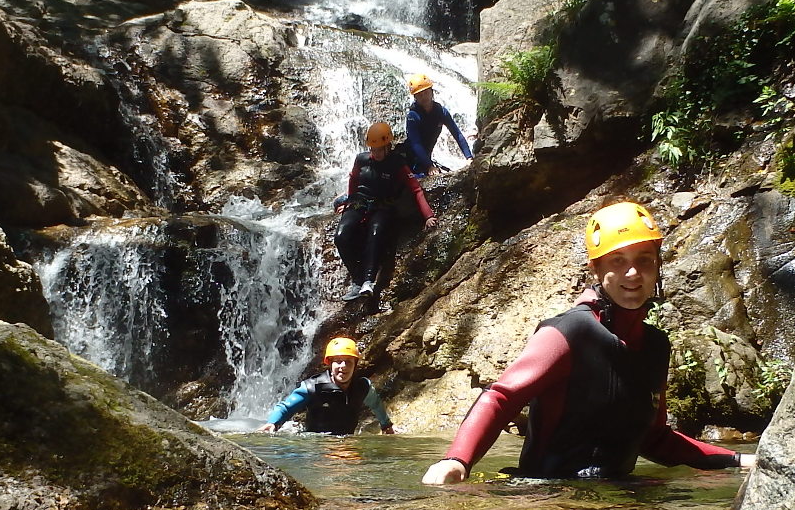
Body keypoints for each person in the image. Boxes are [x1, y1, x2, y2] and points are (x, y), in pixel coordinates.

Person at [421, 201, 752, 483]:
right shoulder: (569, 332)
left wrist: (736, 461)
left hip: (617, 499)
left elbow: (655, 439)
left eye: (644, 259)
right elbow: (501, 398)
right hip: (549, 498)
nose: (633, 273)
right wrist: (457, 460)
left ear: (658, 266)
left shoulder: (656, 346)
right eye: (617, 261)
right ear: (596, 269)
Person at [335, 121, 434, 299]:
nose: (376, 153)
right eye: (373, 149)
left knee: (375, 233)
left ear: (388, 146)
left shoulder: (397, 163)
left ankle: (368, 281)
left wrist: (428, 216)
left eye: (380, 149)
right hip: (360, 203)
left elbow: (416, 189)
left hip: (383, 205)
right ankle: (357, 281)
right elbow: (353, 179)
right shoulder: (361, 159)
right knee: (341, 236)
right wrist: (349, 201)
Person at [262, 337, 396, 434]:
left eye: (348, 362)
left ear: (355, 365)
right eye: (338, 361)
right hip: (316, 449)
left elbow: (376, 405)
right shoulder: (313, 387)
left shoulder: (363, 387)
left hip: (346, 447)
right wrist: (272, 423)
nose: (343, 366)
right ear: (330, 363)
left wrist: (386, 425)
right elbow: (285, 408)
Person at [402, 73, 473, 178]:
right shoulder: (413, 116)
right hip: (411, 160)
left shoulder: (441, 112)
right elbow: (416, 144)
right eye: (419, 95)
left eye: (426, 92)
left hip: (426, 159)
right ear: (415, 97)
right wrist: (429, 165)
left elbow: (457, 134)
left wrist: (469, 157)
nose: (424, 97)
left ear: (432, 92)